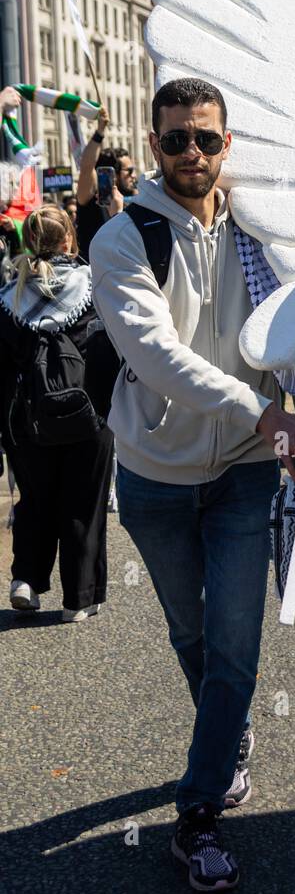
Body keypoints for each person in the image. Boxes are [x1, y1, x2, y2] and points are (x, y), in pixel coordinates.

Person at [90, 76, 295, 894]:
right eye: (174, 140)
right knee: (189, 635)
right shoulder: (124, 239)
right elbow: (154, 354)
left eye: (206, 139)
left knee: (233, 642)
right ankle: (226, 736)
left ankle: (197, 816)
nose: (191, 154)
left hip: (243, 470)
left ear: (229, 143)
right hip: (155, 474)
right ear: (153, 145)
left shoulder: (266, 233)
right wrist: (264, 411)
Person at [0, 206, 115, 621]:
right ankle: (79, 598)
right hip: (89, 412)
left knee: (35, 499)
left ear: (30, 242)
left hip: (27, 420)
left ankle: (26, 581)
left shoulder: (10, 294)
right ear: (70, 239)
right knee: (84, 502)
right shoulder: (95, 286)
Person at [75, 112, 138, 261]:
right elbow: (86, 167)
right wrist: (100, 132)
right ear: (113, 174)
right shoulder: (91, 197)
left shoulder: (135, 200)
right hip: (92, 276)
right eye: (129, 171)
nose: (134, 175)